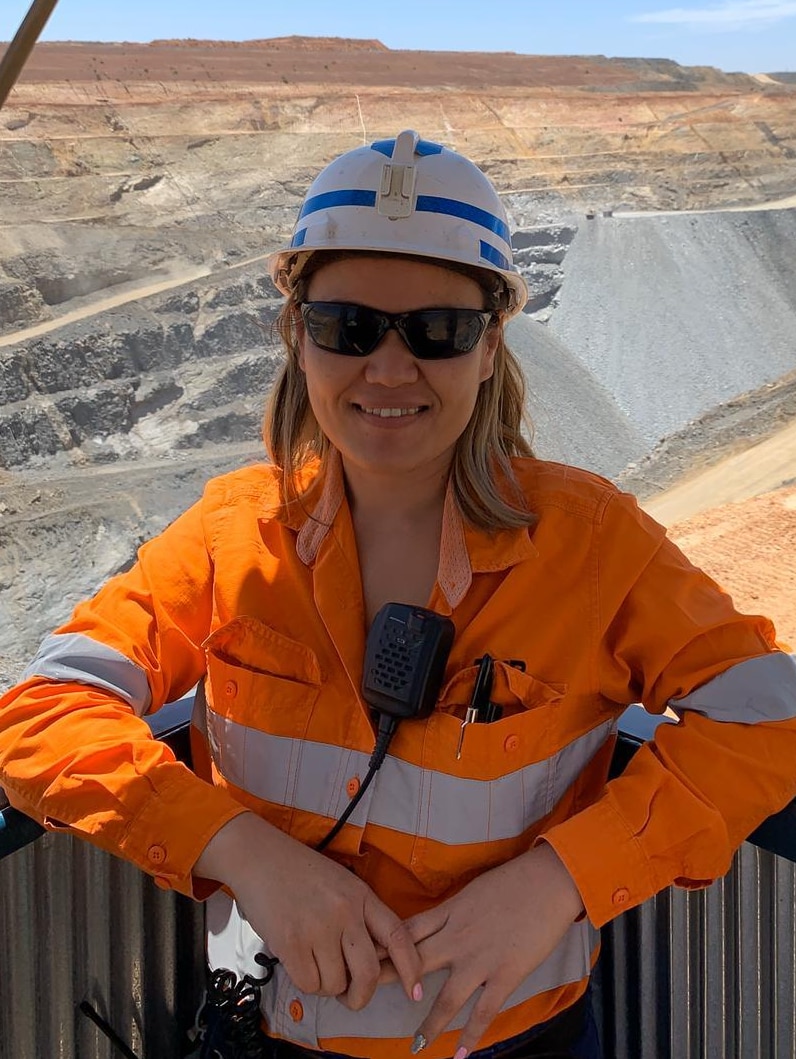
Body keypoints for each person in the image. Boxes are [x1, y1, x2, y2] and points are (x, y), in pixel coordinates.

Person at [1, 129, 795, 1059]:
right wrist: (246, 854)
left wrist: (560, 879)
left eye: (438, 332)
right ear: (299, 336)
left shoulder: (591, 544)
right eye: (348, 326)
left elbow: (770, 717)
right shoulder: (229, 536)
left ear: (491, 347)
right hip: (272, 1034)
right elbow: (44, 714)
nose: (388, 368)